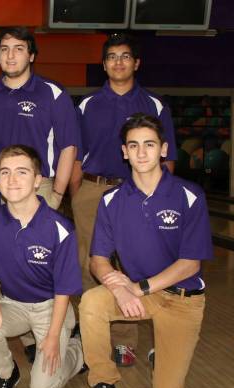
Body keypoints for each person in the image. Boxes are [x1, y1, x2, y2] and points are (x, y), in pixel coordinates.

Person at [79, 113, 212, 388]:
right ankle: (102, 383)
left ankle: (162, 356)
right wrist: (116, 286)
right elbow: (98, 259)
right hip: (139, 293)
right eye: (134, 145)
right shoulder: (112, 199)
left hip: (182, 300)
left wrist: (134, 288)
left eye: (149, 145)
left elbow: (190, 263)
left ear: (163, 149)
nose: (141, 153)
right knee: (92, 302)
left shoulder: (189, 196)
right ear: (124, 152)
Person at [0, 26, 80, 361]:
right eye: (4, 49)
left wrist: (57, 193)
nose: (11, 55)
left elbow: (68, 147)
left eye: (18, 49)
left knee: (37, 260)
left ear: (31, 55)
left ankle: (46, 333)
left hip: (38, 187)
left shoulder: (52, 94)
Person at [71, 34, 178, 367]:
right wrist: (78, 194)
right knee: (90, 264)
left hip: (137, 192)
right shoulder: (87, 105)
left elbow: (168, 157)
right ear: (104, 65)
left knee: (129, 267)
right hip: (93, 189)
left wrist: (160, 195)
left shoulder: (155, 105)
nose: (119, 62)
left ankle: (125, 342)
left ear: (136, 63)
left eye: (125, 56)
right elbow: (74, 156)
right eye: (112, 57)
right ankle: (91, 338)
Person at [0, 145, 84, 388]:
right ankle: (5, 373)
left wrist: (54, 336)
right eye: (5, 172)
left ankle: (78, 351)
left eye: (21, 172)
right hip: (13, 304)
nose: (12, 180)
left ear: (37, 180)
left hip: (50, 308)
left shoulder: (60, 228)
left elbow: (64, 289)